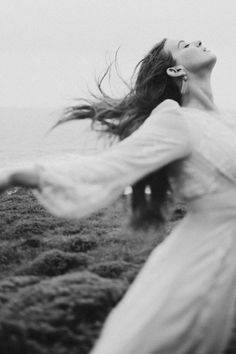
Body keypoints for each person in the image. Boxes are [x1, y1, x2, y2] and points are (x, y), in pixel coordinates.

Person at [0, 38, 236, 353]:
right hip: (202, 261)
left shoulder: (224, 123)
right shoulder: (174, 118)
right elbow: (105, 168)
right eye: (185, 44)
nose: (198, 41)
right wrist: (16, 175)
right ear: (176, 68)